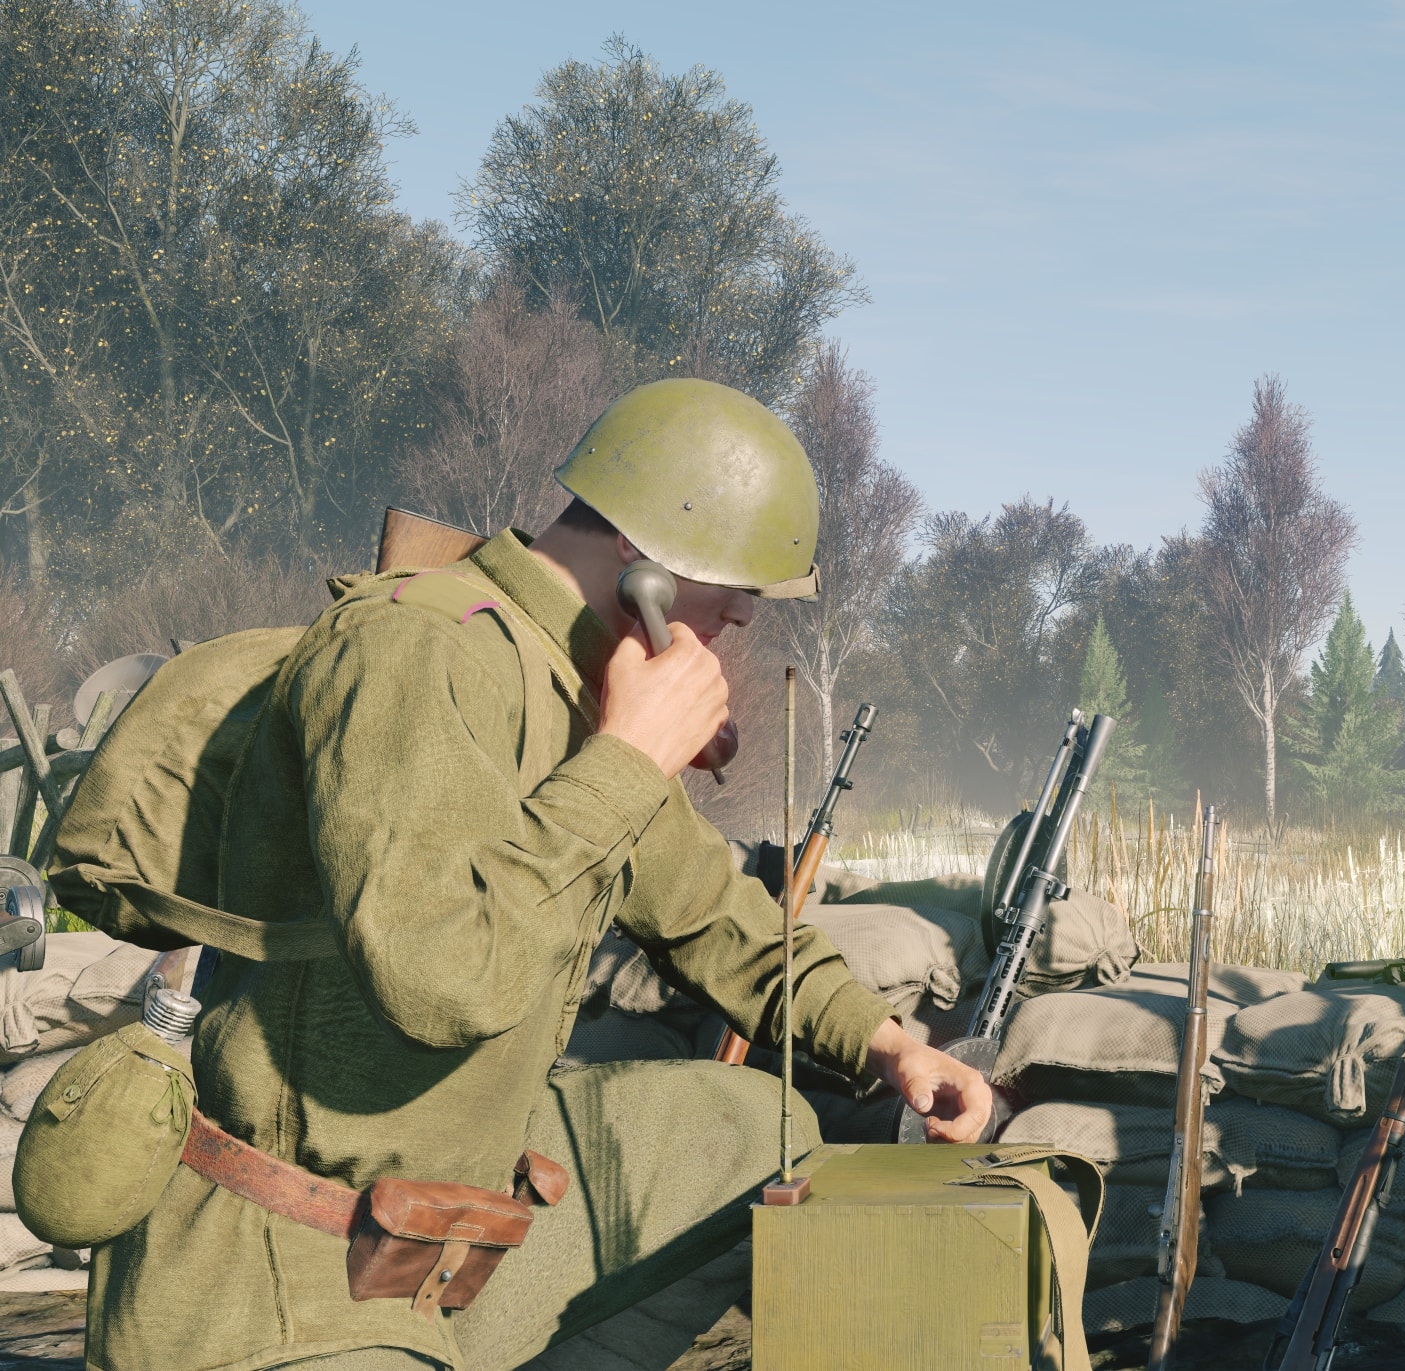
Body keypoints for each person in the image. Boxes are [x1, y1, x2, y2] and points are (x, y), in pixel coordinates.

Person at [88, 378, 993, 1370]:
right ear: (642, 556)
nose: (742, 612)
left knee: (754, 1123)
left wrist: (890, 1046)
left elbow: (710, 915)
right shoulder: (416, 648)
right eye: (736, 580)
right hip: (292, 1275)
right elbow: (440, 978)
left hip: (446, 1211)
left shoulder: (578, 682)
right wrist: (629, 760)